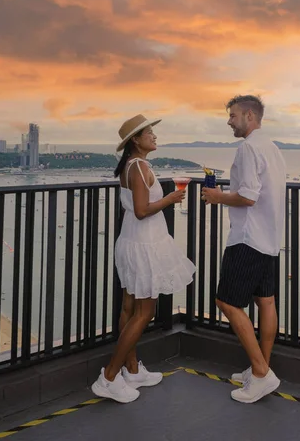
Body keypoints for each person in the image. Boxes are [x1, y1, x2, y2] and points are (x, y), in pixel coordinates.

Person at [92, 114, 196, 403]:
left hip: (131, 241)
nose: (155, 137)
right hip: (144, 244)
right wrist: (171, 200)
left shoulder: (129, 166)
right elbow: (141, 209)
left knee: (129, 306)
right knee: (144, 312)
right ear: (136, 140)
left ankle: (133, 369)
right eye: (150, 133)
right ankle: (109, 377)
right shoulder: (139, 166)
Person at [201, 95, 286, 404]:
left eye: (233, 115)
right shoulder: (273, 148)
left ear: (249, 116)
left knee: (226, 302)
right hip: (270, 236)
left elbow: (248, 197)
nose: (229, 121)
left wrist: (216, 196)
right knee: (266, 302)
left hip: (248, 237)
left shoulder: (248, 148)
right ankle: (259, 368)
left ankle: (262, 374)